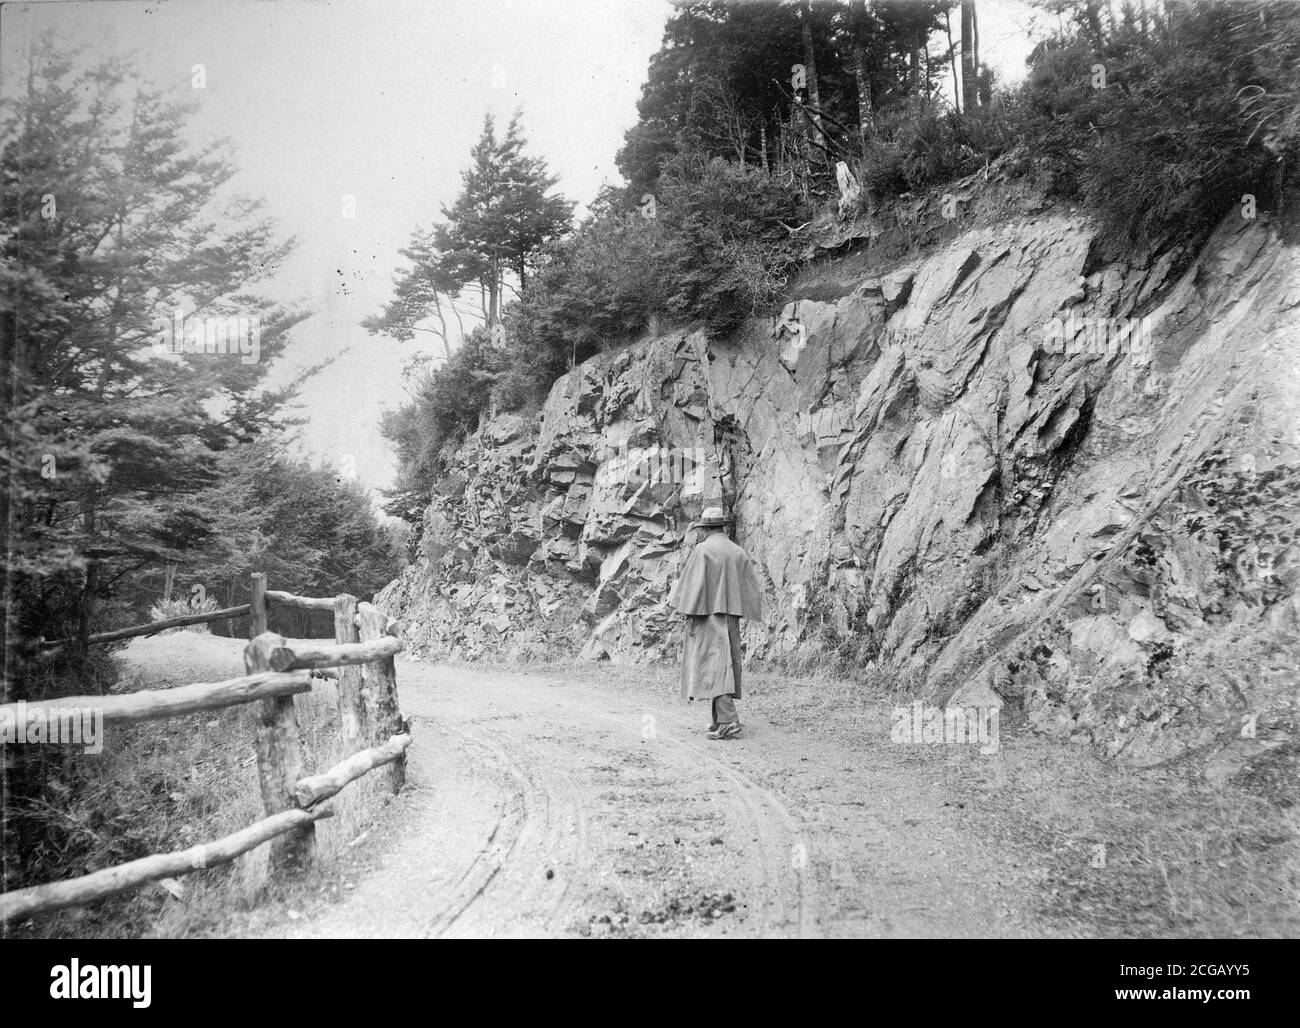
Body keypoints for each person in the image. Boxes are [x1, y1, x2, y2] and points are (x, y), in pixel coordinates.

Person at [668, 505, 763, 740]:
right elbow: (750, 587)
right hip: (730, 616)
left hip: (707, 615)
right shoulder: (737, 551)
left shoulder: (703, 550)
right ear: (722, 526)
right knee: (723, 665)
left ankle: (729, 721)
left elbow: (693, 585)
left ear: (705, 529)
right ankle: (718, 719)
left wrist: (688, 611)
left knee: (714, 667)